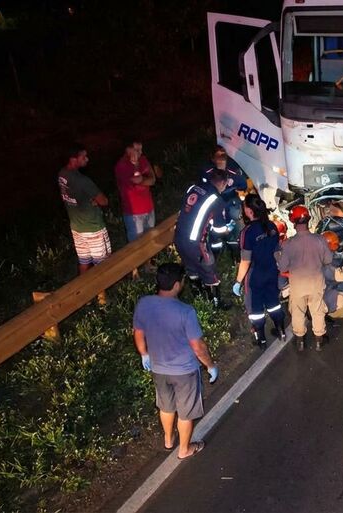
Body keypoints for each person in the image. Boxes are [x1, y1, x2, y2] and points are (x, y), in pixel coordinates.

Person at [133, 263, 219, 460]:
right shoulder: (185, 311)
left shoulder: (144, 304)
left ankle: (168, 440)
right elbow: (198, 347)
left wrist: (144, 353)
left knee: (165, 406)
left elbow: (138, 332)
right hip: (184, 371)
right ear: (177, 285)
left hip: (158, 367)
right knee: (186, 412)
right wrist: (211, 366)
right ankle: (184, 449)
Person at [232, 194, 286, 348]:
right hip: (271, 271)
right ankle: (281, 329)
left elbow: (245, 260)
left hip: (255, 276)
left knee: (255, 309)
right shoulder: (272, 226)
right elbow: (277, 251)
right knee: (273, 303)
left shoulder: (247, 232)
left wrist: (238, 282)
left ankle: (261, 339)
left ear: (249, 211)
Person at [173, 168, 232, 309]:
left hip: (178, 236)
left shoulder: (194, 187)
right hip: (195, 244)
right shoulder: (216, 200)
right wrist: (229, 227)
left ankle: (198, 295)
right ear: (223, 183)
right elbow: (220, 229)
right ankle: (216, 303)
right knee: (209, 269)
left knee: (191, 267)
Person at [277, 205, 334, 351]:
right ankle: (319, 340)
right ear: (308, 220)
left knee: (297, 312)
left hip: (297, 285)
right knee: (317, 311)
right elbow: (328, 260)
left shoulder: (288, 244)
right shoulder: (320, 240)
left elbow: (282, 268)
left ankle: (300, 341)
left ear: (293, 222)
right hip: (316, 283)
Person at [58, 144, 111, 276]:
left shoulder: (62, 175)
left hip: (77, 228)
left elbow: (74, 195)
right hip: (93, 228)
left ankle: (82, 290)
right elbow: (104, 201)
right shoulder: (83, 180)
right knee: (103, 264)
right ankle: (101, 295)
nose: (87, 159)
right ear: (73, 159)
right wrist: (95, 200)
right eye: (84, 157)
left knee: (84, 261)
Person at [199, 147, 248, 259]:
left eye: (223, 155)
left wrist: (239, 194)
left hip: (230, 199)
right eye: (218, 156)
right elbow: (203, 186)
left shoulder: (235, 170)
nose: (221, 159)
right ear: (212, 158)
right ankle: (215, 252)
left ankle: (235, 251)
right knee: (213, 228)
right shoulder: (206, 170)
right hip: (213, 200)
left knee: (236, 222)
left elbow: (243, 186)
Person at [114, 138, 157, 242]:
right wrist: (138, 168)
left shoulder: (143, 159)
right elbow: (137, 179)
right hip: (134, 214)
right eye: (137, 150)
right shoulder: (121, 166)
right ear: (128, 150)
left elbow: (153, 180)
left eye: (141, 149)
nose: (141, 152)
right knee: (137, 247)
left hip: (149, 209)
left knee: (151, 242)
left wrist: (143, 179)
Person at [320, 231, 343, 315]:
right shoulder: (322, 263)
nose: (337, 245)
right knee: (342, 298)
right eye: (335, 244)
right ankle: (322, 311)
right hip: (314, 298)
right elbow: (342, 275)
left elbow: (336, 257)